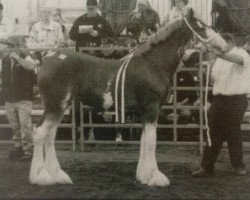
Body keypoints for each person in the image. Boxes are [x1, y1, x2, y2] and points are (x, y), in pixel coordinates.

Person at [192, 33, 250, 177]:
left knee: (233, 132)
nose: (218, 48)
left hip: (237, 99)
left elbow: (236, 59)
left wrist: (218, 54)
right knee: (212, 133)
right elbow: (214, 80)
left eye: (220, 45)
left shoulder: (242, 53)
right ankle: (207, 167)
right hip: (219, 99)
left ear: (229, 43)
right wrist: (206, 74)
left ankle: (238, 166)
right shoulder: (219, 60)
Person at [0, 35, 38, 160]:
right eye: (7, 45)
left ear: (17, 46)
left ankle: (29, 149)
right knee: (15, 125)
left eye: (11, 45)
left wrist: (17, 57)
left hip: (24, 98)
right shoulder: (4, 60)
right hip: (10, 98)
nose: (8, 48)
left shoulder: (26, 56)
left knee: (25, 124)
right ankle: (19, 146)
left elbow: (31, 67)